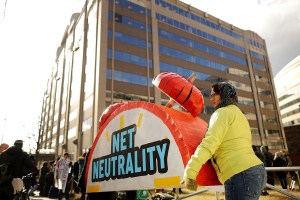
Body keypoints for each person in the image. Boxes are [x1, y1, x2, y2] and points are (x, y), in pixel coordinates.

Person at [182, 82, 267, 200]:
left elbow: (209, 143)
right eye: (210, 96)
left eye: (215, 95)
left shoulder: (222, 113)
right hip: (256, 170)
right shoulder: (239, 114)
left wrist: (191, 170)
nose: (211, 99)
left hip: (240, 174)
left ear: (225, 94)